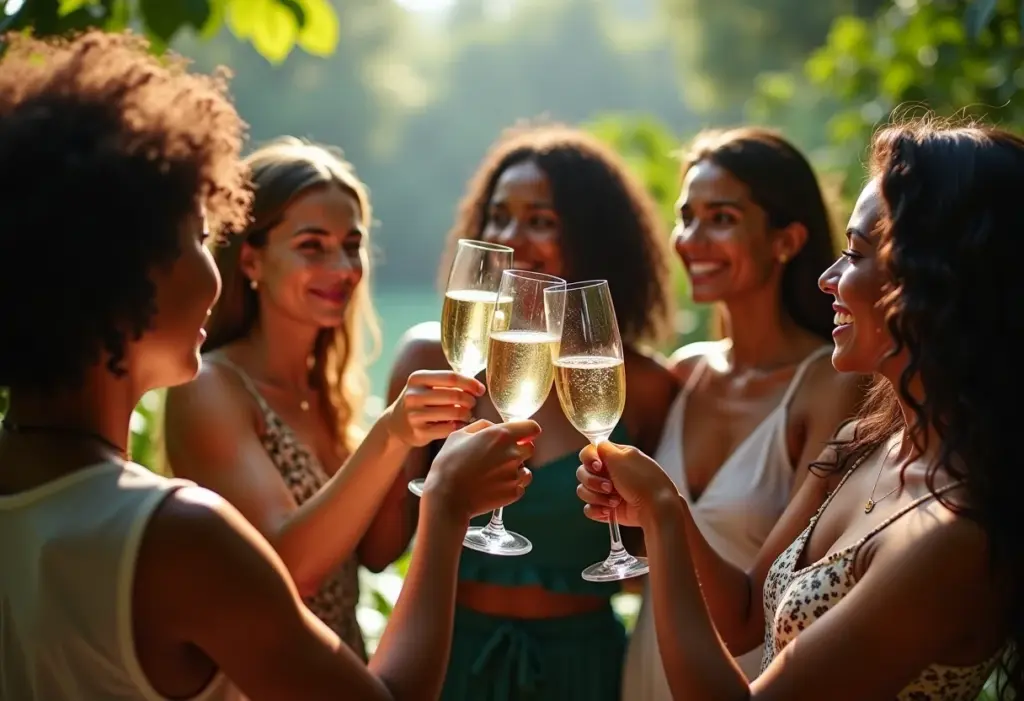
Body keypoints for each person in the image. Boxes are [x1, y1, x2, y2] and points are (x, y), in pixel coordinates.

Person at [0, 30, 538, 701]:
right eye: (201, 236)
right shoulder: (177, 534)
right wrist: (449, 507)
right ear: (121, 269)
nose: (214, 271)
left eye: (351, 246)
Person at [579, 118, 1021, 700]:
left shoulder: (952, 538)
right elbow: (742, 618)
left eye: (857, 255)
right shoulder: (863, 444)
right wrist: (664, 515)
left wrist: (662, 511)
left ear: (935, 283)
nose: (828, 278)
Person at [388, 124, 679, 701]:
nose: (512, 238)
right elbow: (378, 551)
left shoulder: (641, 385)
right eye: (498, 217)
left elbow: (655, 569)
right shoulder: (435, 360)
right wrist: (397, 443)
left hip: (583, 671)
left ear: (594, 237)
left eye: (541, 221)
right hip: (450, 659)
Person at [163, 138, 448, 659]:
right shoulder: (210, 387)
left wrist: (422, 441)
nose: (341, 268)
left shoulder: (329, 392)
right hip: (265, 680)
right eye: (312, 246)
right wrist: (391, 433)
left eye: (350, 244)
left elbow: (379, 551)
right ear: (251, 260)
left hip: (345, 671)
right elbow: (292, 569)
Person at [622, 127, 864, 697]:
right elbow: (639, 555)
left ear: (787, 240)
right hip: (643, 669)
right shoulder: (684, 373)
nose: (691, 239)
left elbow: (766, 604)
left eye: (722, 218)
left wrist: (663, 506)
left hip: (745, 678)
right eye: (687, 216)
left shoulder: (829, 386)